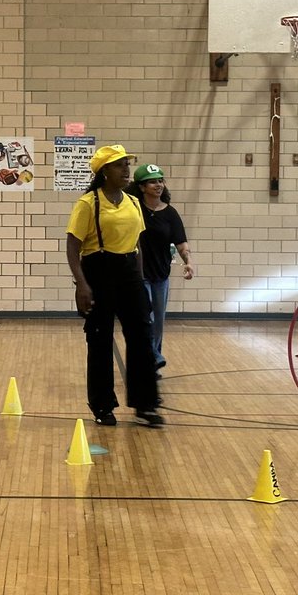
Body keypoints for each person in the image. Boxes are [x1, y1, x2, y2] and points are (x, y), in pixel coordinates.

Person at [65, 144, 163, 428]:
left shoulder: (133, 203)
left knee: (142, 338)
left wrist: (140, 279)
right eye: (119, 164)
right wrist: (81, 284)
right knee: (99, 339)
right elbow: (73, 247)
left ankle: (145, 405)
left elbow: (138, 245)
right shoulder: (88, 203)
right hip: (99, 270)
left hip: (130, 271)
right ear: (104, 171)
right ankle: (102, 406)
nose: (126, 169)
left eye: (126, 164)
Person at [127, 163, 195, 373]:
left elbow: (181, 243)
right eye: (152, 182)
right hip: (138, 275)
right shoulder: (133, 210)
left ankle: (151, 364)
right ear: (141, 187)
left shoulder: (170, 214)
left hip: (161, 276)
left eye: (160, 180)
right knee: (146, 319)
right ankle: (151, 357)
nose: (158, 185)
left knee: (158, 323)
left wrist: (188, 262)